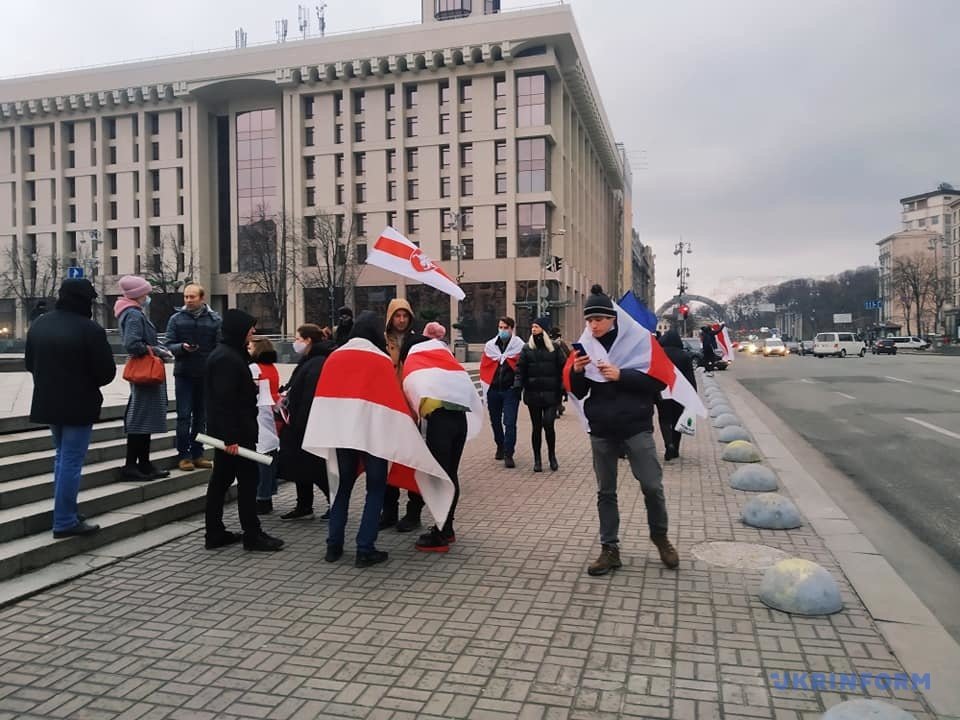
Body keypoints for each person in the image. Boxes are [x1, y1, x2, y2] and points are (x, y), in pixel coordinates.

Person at [569, 284, 679, 575]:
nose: (593, 325)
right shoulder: (586, 345)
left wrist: (622, 375)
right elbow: (578, 392)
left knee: (652, 486)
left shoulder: (640, 341)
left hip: (636, 426)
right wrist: (577, 371)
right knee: (606, 491)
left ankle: (660, 536)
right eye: (589, 320)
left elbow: (658, 381)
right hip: (602, 428)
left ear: (612, 318)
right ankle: (610, 548)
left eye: (598, 319)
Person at [25, 279, 116, 537]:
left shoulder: (40, 324)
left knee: (61, 457)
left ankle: (64, 511)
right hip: (78, 405)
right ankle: (64, 520)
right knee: (71, 461)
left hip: (48, 402)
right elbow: (106, 373)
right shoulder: (90, 330)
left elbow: (30, 363)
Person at [204, 309, 284, 552]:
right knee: (247, 482)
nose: (253, 331)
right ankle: (252, 534)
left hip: (234, 433)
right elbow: (224, 401)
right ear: (239, 329)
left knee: (221, 482)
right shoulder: (227, 359)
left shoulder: (229, 355)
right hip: (235, 435)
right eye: (250, 327)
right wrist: (230, 438)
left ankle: (215, 532)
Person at [400, 322, 482, 553]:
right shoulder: (443, 364)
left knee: (439, 478)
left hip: (440, 425)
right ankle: (448, 529)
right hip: (459, 421)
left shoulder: (417, 367)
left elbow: (410, 402)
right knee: (450, 475)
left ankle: (440, 534)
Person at [327, 311, 392, 567]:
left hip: (343, 433)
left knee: (342, 487)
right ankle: (365, 549)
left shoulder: (335, 356)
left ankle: (334, 545)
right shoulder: (381, 359)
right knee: (375, 489)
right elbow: (390, 402)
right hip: (373, 434)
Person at [114, 276, 173, 481]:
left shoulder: (134, 312)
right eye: (146, 293)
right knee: (140, 418)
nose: (148, 297)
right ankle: (133, 465)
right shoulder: (132, 314)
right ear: (137, 294)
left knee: (144, 419)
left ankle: (144, 463)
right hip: (144, 372)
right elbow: (133, 344)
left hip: (146, 371)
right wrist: (157, 350)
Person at [278, 324, 334, 520]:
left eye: (298, 339)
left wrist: (299, 423)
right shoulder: (309, 359)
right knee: (300, 467)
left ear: (308, 340)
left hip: (306, 424)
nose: (295, 343)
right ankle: (304, 505)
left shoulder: (316, 362)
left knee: (315, 468)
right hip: (300, 423)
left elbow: (309, 396)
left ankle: (334, 502)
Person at [164, 284, 221, 472]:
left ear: (202, 298)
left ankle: (198, 453)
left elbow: (220, 346)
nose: (188, 300)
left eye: (192, 297)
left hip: (206, 374)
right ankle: (184, 455)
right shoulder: (176, 319)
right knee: (183, 416)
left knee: (201, 416)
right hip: (184, 373)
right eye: (186, 297)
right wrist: (182, 347)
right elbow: (169, 344)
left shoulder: (214, 320)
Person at [381, 297, 421, 531]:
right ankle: (389, 512)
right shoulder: (381, 342)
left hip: (411, 409)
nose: (402, 319)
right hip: (389, 408)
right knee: (388, 464)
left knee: (413, 464)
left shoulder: (417, 342)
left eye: (405, 315)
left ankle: (413, 513)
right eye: (397, 315)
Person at [517, 316, 565, 472]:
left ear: (543, 330)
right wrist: (519, 384)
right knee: (536, 427)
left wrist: (563, 389)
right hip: (533, 395)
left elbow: (563, 369)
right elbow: (520, 369)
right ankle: (537, 459)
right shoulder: (526, 348)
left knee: (549, 424)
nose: (533, 329)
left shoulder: (555, 348)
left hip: (551, 395)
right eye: (532, 327)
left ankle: (552, 456)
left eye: (536, 327)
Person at [482, 317, 524, 468]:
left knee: (510, 422)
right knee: (495, 421)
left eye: (505, 327)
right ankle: (500, 444)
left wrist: (517, 385)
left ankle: (508, 453)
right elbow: (485, 367)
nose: (502, 330)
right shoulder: (490, 346)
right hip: (493, 390)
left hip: (510, 390)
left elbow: (522, 368)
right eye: (500, 327)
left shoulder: (519, 346)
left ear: (512, 328)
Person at [248, 337, 281, 514]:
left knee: (260, 457)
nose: (248, 349)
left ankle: (261, 497)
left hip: (259, 412)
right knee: (269, 456)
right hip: (271, 411)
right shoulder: (272, 368)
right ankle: (267, 495)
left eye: (251, 347)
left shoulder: (253, 368)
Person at [655, 330, 697, 462]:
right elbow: (690, 377)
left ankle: (669, 445)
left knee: (664, 419)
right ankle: (676, 448)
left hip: (662, 392)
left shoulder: (659, 354)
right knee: (677, 419)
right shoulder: (684, 356)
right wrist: (693, 396)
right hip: (680, 392)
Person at [550, 327, 570, 416]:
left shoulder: (548, 343)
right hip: (559, 372)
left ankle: (556, 408)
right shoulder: (561, 344)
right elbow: (568, 355)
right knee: (558, 391)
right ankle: (558, 406)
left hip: (551, 372)